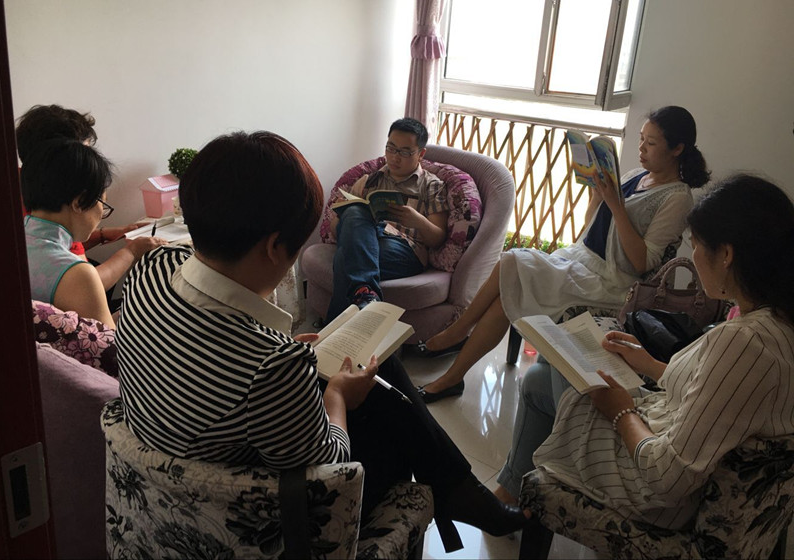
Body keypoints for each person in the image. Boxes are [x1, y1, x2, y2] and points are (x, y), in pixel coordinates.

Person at [115, 130, 527, 553]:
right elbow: (331, 464)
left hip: (171, 472)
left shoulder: (152, 269)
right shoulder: (275, 366)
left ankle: (461, 492)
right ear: (274, 247)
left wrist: (293, 350)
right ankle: (458, 493)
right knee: (394, 423)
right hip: (266, 520)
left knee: (376, 363)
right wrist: (336, 396)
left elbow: (214, 352)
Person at [495, 174, 794, 530]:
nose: (693, 256)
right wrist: (650, 364)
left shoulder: (745, 342)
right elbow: (716, 397)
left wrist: (621, 412)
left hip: (652, 489)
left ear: (726, 255)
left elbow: (667, 478)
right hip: (664, 430)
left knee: (560, 360)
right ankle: (512, 495)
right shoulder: (772, 321)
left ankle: (518, 501)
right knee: (537, 378)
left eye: (696, 245)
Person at [416, 106, 711, 402]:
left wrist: (617, 206)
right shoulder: (636, 176)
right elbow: (591, 228)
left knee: (511, 260)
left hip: (612, 281)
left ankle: (456, 334)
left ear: (677, 149)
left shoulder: (677, 198)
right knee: (505, 295)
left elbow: (642, 263)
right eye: (641, 139)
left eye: (651, 142)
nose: (642, 148)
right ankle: (453, 375)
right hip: (582, 259)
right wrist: (597, 196)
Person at [16, 104, 160, 293]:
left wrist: (104, 234)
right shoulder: (62, 206)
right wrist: (131, 252)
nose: (91, 160)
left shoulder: (27, 191)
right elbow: (85, 286)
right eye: (84, 153)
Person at [325, 117, 449, 322]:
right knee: (354, 213)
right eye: (390, 148)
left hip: (406, 250)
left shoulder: (432, 185)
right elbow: (336, 232)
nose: (394, 157)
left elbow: (438, 238)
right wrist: (342, 213)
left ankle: (332, 330)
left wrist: (418, 221)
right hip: (368, 240)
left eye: (405, 152)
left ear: (421, 154)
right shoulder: (369, 180)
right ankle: (366, 297)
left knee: (345, 259)